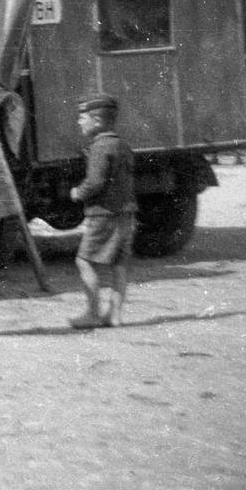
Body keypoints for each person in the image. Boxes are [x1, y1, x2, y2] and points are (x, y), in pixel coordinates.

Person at [69, 94, 136, 328]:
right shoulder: (121, 144)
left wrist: (78, 192)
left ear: (96, 121)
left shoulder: (99, 147)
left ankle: (93, 313)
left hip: (103, 214)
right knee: (119, 264)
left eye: (82, 117)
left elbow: (95, 182)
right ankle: (115, 314)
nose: (79, 122)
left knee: (84, 261)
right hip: (127, 213)